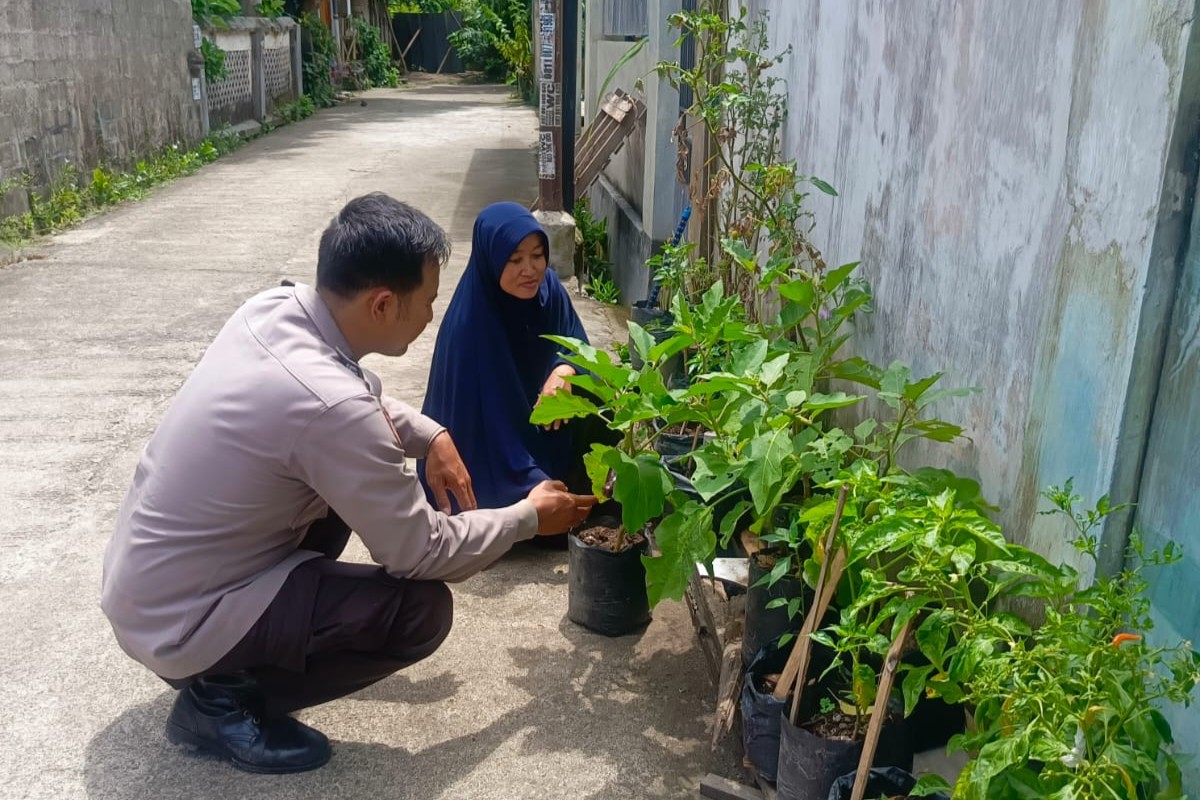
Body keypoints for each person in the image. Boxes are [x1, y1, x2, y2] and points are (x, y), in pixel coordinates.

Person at [100, 193, 596, 774]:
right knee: (420, 611)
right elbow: (422, 551)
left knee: (341, 497)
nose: (434, 315)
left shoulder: (274, 309)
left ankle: (232, 664)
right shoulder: (329, 409)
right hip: (180, 621)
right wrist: (529, 517)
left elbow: (355, 390)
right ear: (383, 304)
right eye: (428, 301)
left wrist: (431, 435)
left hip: (148, 585)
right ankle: (220, 703)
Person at [419, 202, 599, 517]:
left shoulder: (549, 292)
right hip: (488, 451)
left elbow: (577, 343)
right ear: (491, 260)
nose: (529, 270)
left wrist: (564, 369)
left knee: (598, 395)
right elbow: (487, 426)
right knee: (529, 513)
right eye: (514, 259)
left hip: (540, 421)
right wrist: (531, 482)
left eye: (537, 256)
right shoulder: (470, 326)